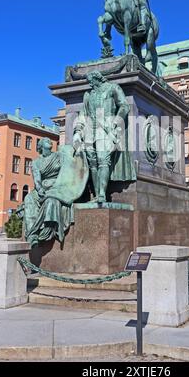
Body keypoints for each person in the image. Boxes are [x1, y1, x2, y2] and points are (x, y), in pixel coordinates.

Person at [75, 71, 136, 203]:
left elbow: (124, 106)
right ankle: (97, 195)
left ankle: (102, 194)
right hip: (90, 130)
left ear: (98, 78)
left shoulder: (112, 88)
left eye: (91, 81)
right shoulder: (88, 94)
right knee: (92, 162)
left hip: (106, 129)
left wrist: (115, 123)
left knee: (103, 160)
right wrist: (77, 131)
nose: (90, 84)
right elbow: (83, 113)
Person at [23, 135, 88, 247]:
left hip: (59, 187)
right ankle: (32, 235)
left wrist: (78, 150)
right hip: (42, 189)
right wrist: (39, 189)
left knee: (51, 201)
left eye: (49, 140)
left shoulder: (59, 156)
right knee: (28, 198)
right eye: (46, 140)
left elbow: (70, 165)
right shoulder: (36, 162)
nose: (49, 140)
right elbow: (37, 178)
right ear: (41, 146)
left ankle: (46, 231)